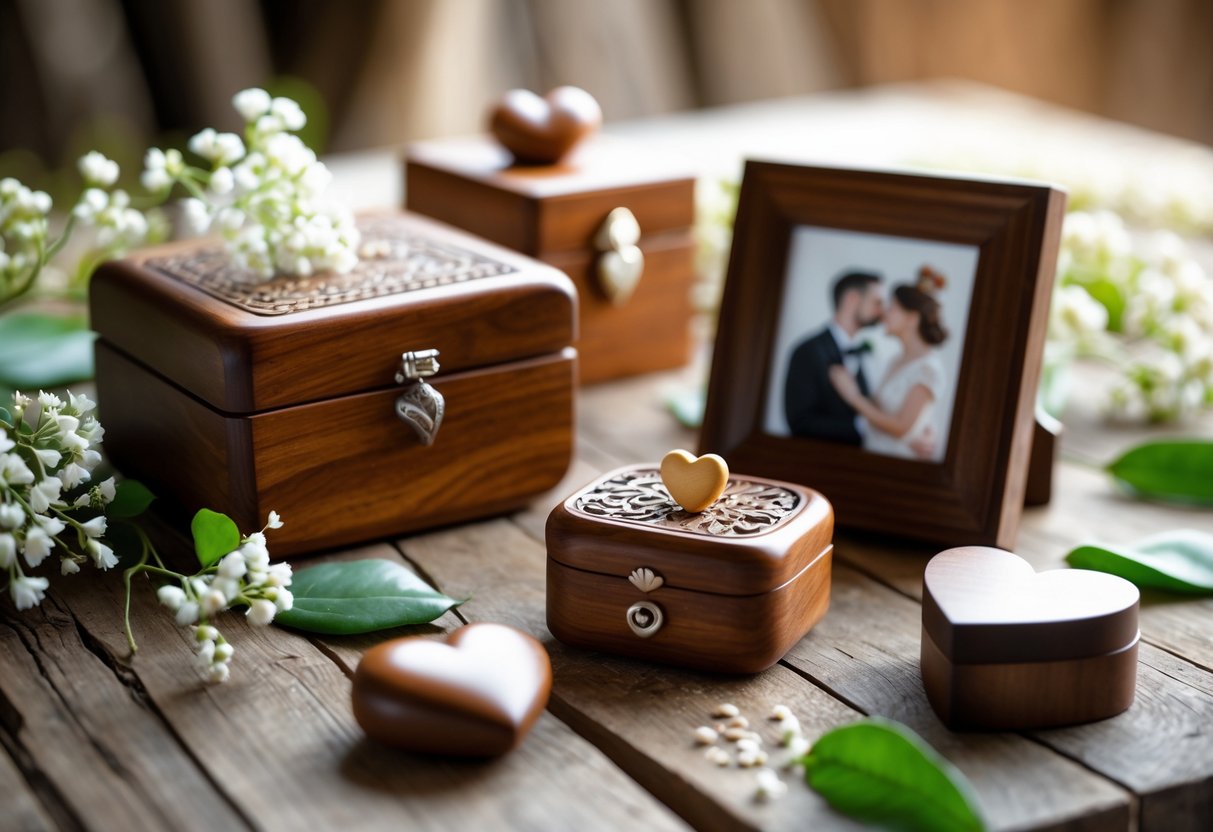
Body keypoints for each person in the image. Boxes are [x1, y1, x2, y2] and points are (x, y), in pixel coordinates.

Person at [829, 266, 949, 460]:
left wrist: (853, 396)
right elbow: (882, 412)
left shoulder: (928, 368)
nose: (884, 314)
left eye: (892, 308)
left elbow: (902, 427)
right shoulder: (896, 360)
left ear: (911, 318)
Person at [784, 271, 885, 444]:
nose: (882, 311)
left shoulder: (866, 353)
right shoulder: (808, 351)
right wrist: (861, 427)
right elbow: (801, 423)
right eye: (877, 302)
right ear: (852, 299)